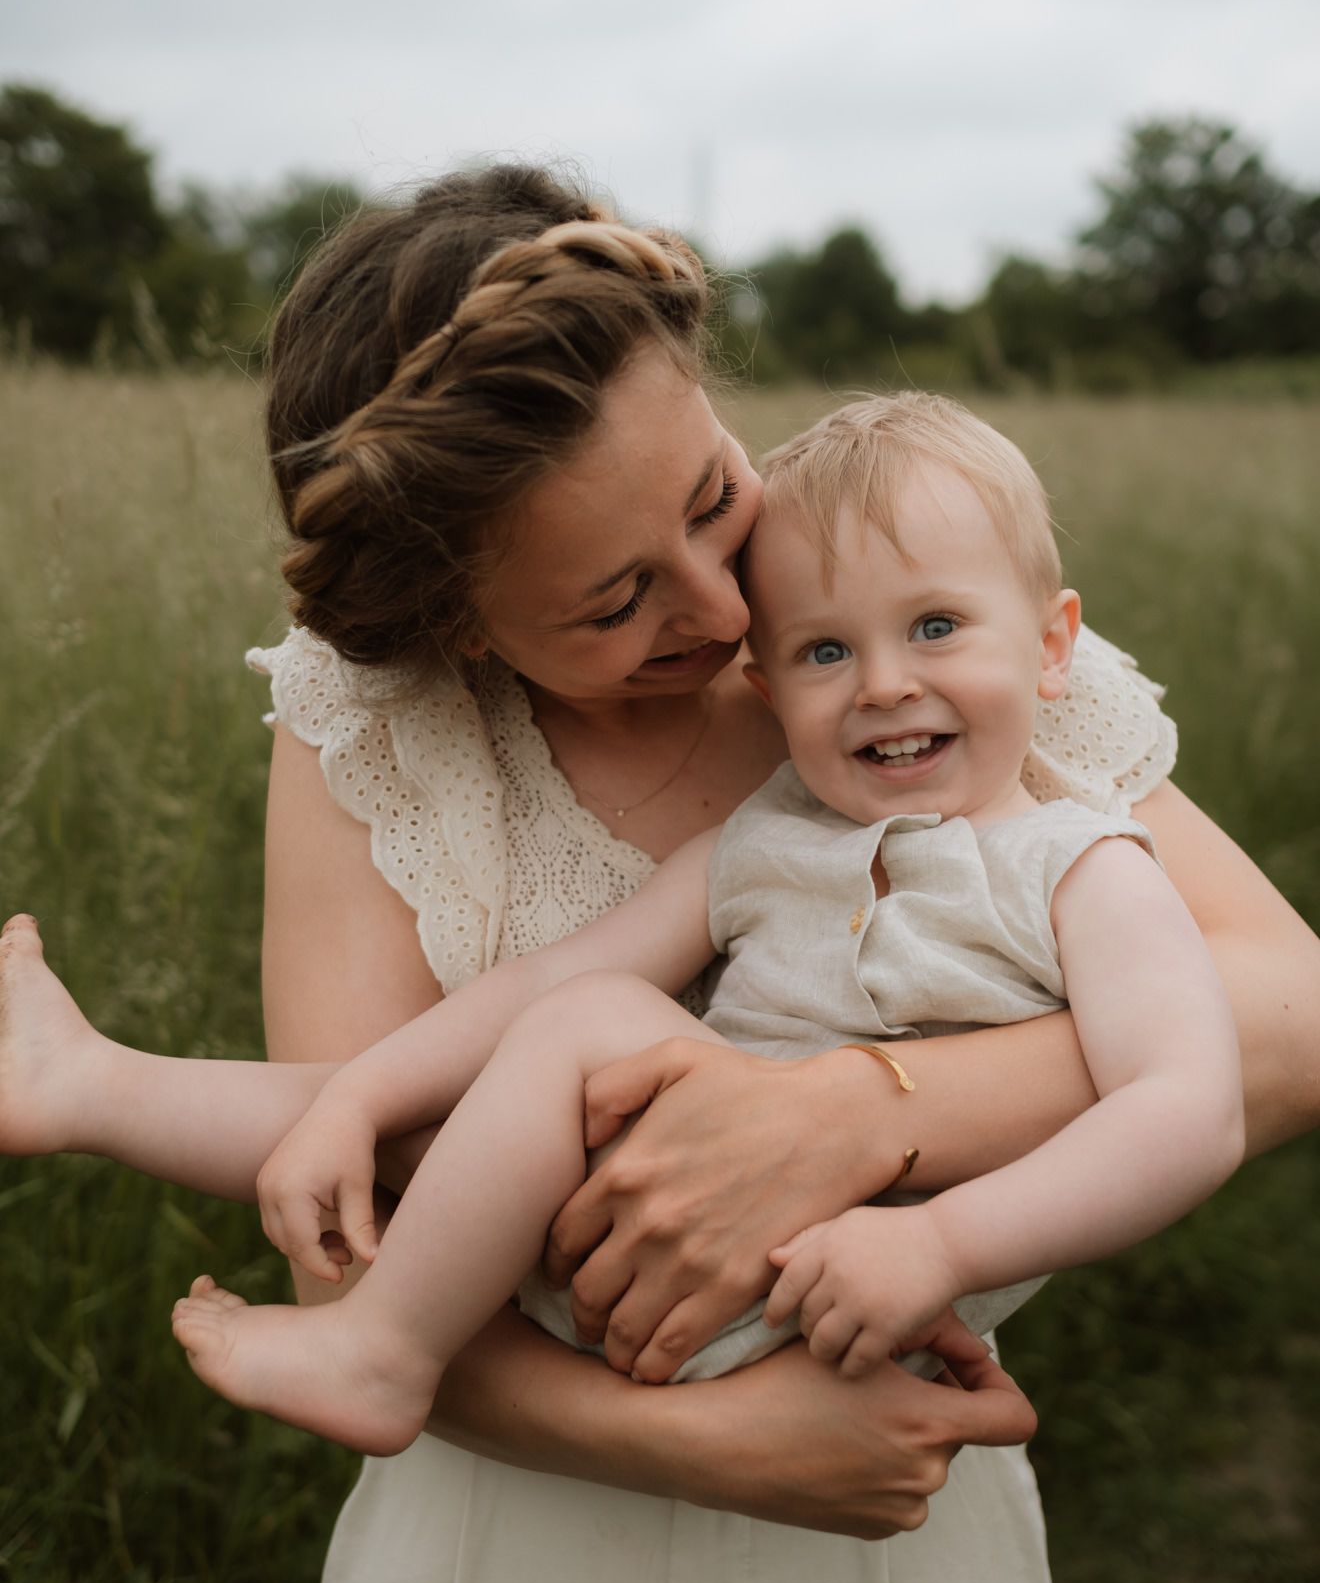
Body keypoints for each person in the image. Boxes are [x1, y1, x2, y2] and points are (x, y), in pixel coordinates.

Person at [11, 164, 1319, 1583]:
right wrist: (725, 1449)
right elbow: (362, 1209)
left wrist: (856, 1120)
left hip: (881, 1560)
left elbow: (1282, 1013)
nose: (726, 619)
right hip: (514, 1573)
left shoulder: (902, 608)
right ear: (458, 632)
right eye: (615, 599)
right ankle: (85, 1085)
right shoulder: (377, 725)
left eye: (711, 497)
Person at [0, 394, 1248, 1459]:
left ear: (1052, 648)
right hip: (637, 1258)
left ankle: (379, 1347)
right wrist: (358, 1098)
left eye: (933, 627)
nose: (882, 683)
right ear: (762, 687)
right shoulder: (770, 841)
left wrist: (938, 1243)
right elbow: (555, 977)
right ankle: (86, 1092)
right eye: (823, 650)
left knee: (575, 1042)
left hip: (844, 1293)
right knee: (435, 1099)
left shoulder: (1083, 865)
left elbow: (1190, 1109)